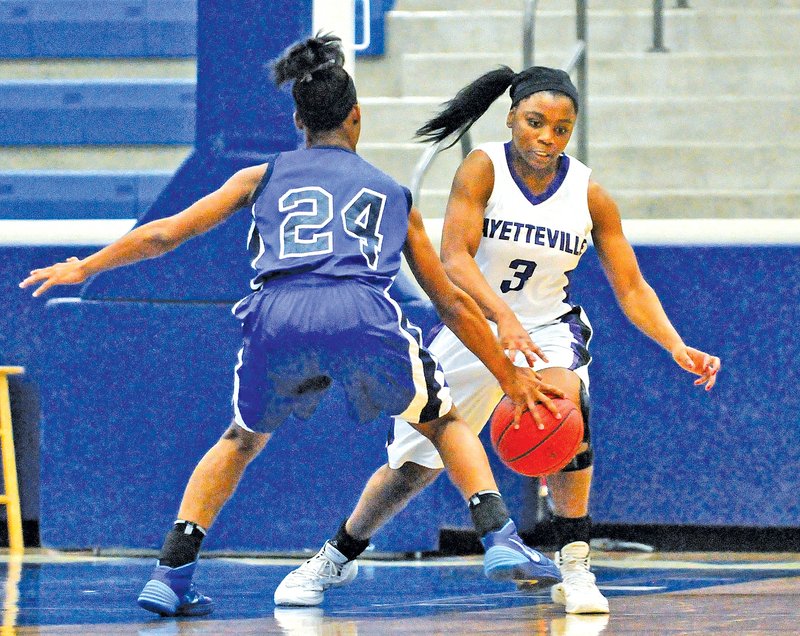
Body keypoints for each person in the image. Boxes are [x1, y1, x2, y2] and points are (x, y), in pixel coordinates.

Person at [19, 36, 567, 618]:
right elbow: (453, 304)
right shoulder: (391, 191)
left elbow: (163, 234)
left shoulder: (261, 175)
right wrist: (508, 376)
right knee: (443, 420)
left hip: (276, 315)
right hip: (359, 311)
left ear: (298, 120)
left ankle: (172, 571)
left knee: (239, 440)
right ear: (357, 116)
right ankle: (499, 537)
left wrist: (86, 265)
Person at [275, 65, 721, 614]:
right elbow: (454, 258)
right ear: (512, 117)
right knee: (412, 467)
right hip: (474, 327)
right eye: (535, 122)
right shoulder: (482, 168)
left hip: (549, 328)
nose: (546, 138)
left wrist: (676, 345)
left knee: (564, 411)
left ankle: (576, 565)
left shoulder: (590, 194)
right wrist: (500, 317)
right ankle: (335, 557)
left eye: (561, 128)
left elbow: (631, 287)